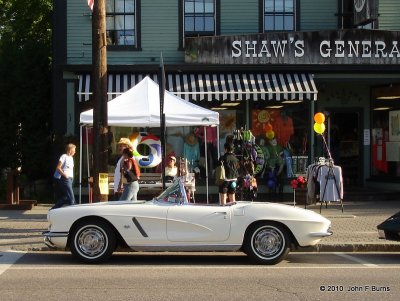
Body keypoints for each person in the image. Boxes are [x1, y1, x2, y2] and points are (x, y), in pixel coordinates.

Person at [51, 143, 76, 209]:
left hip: (70, 179)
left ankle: (53, 210)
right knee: (71, 198)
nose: (75, 152)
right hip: (65, 179)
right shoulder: (64, 156)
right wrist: (64, 175)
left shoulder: (71, 158)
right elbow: (58, 167)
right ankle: (73, 214)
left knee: (66, 197)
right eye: (74, 150)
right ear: (70, 150)